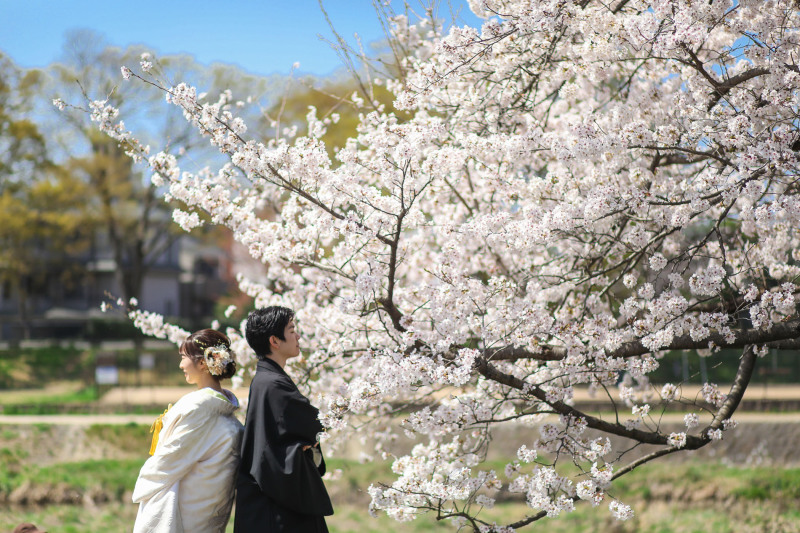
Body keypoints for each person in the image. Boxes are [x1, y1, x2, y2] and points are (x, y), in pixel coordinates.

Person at [132, 329, 244, 533]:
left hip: (186, 511)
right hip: (208, 511)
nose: (181, 364)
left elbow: (168, 461)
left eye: (184, 357)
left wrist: (145, 480)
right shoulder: (224, 410)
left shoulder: (199, 408)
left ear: (203, 363)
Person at [234, 306, 333, 532]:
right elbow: (314, 424)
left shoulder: (267, 379)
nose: (297, 336)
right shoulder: (273, 383)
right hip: (278, 509)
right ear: (274, 341)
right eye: (291, 330)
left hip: (270, 501)